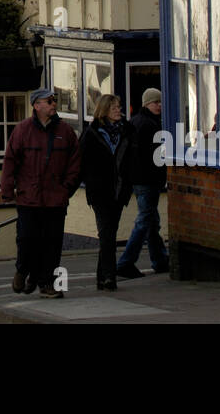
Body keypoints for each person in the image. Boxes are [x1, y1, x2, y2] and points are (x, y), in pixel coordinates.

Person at [0, 87, 82, 298]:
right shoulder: (22, 130)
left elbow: (75, 164)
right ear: (37, 106)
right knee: (27, 239)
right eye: (49, 101)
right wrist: (7, 189)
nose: (53, 104)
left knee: (52, 244)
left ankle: (47, 283)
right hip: (29, 198)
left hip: (55, 199)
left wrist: (66, 189)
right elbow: (10, 161)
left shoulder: (65, 132)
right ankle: (23, 270)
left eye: (54, 101)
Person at [80, 91, 133, 291]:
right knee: (106, 233)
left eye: (119, 107)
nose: (119, 110)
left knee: (110, 232)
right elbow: (81, 162)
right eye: (114, 108)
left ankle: (101, 276)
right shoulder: (92, 133)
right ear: (104, 110)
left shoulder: (126, 131)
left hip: (119, 190)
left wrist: (129, 181)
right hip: (100, 191)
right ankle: (110, 277)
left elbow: (131, 160)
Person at [118, 88, 169, 280]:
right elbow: (152, 156)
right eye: (156, 102)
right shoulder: (148, 125)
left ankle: (160, 260)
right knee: (145, 220)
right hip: (147, 179)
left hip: (141, 179)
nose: (159, 106)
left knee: (151, 221)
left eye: (160, 102)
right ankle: (126, 262)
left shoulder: (138, 122)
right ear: (146, 104)